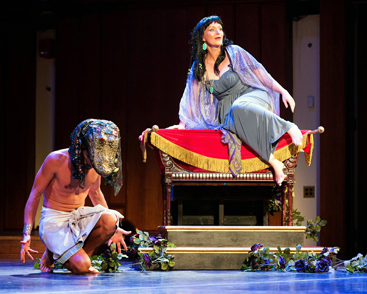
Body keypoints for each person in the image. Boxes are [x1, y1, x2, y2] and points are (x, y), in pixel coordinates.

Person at [169, 15, 303, 185]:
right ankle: (274, 163)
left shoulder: (234, 52)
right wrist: (183, 123)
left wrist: (283, 92)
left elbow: (261, 75)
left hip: (254, 96)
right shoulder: (199, 66)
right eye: (212, 29)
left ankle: (288, 126)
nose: (218, 32)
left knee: (239, 107)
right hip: (230, 111)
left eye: (220, 28)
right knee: (236, 118)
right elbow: (191, 97)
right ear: (202, 37)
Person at [20, 119, 131, 274]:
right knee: (83, 267)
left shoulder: (95, 163)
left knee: (111, 219)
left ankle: (70, 255)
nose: (91, 164)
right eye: (89, 158)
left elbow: (96, 193)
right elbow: (35, 195)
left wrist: (115, 229)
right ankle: (60, 254)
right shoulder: (56, 159)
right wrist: (27, 233)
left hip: (78, 218)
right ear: (80, 147)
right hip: (54, 221)